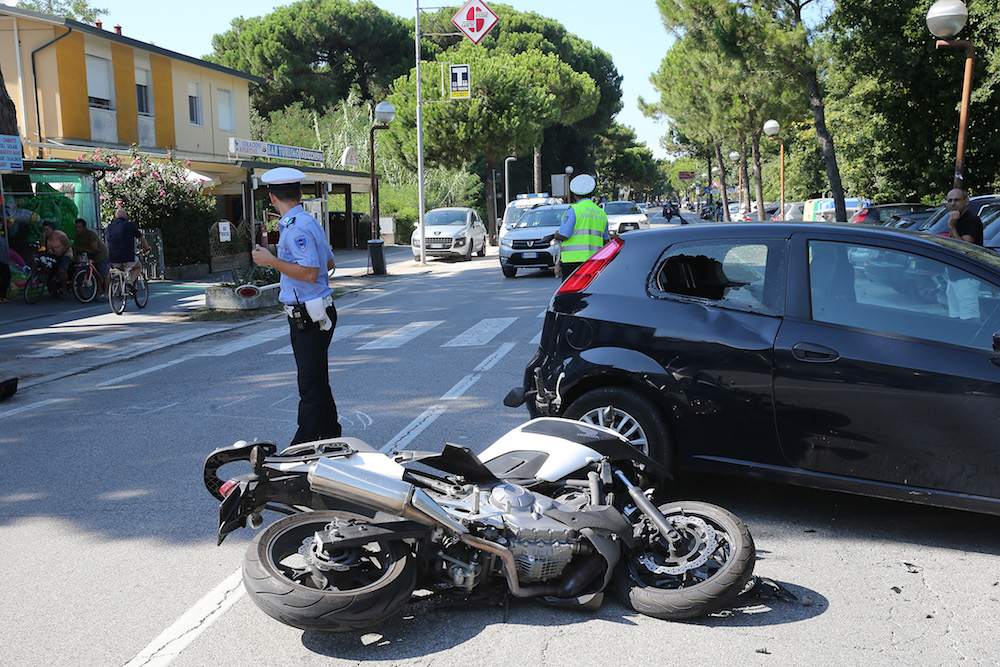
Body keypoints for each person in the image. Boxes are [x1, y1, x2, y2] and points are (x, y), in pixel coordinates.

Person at [251, 167, 340, 445]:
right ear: (300, 194)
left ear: (272, 197)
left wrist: (271, 261)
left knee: (309, 386)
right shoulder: (308, 221)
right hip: (316, 311)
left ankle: (302, 447)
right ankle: (330, 436)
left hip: (309, 315)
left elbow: (311, 271)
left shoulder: (296, 228)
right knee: (317, 381)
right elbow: (329, 263)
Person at [553, 173, 609, 279]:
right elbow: (605, 241)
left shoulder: (574, 210)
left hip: (572, 262)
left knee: (571, 294)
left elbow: (564, 235)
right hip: (594, 261)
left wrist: (556, 235)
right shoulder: (601, 213)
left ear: (574, 194)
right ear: (592, 193)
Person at [944, 188, 983, 320]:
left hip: (967, 276)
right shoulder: (956, 220)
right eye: (950, 200)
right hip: (954, 276)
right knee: (955, 317)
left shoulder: (971, 220)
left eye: (957, 200)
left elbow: (965, 248)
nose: (953, 203)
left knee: (970, 317)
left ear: (966, 201)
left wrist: (951, 227)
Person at [105, 208, 150, 291]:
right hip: (127, 255)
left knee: (120, 272)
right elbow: (141, 239)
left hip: (113, 256)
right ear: (125, 216)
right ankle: (130, 282)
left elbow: (108, 241)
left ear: (115, 216)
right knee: (138, 267)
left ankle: (121, 293)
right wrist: (146, 247)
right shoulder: (130, 225)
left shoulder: (109, 227)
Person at [73, 218, 110, 300]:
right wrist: (83, 252)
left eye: (79, 227)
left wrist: (83, 249)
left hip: (101, 255)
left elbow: (93, 248)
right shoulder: (77, 236)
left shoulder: (91, 234)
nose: (77, 229)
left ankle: (107, 294)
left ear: (84, 227)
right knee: (96, 276)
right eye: (76, 227)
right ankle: (98, 293)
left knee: (104, 275)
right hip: (91, 256)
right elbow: (77, 247)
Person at [39, 220, 73, 290]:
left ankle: (64, 287)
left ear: (51, 229)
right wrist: (42, 241)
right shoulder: (45, 238)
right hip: (53, 255)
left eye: (47, 229)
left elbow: (68, 244)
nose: (46, 231)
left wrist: (60, 252)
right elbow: (42, 248)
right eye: (44, 230)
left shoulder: (59, 234)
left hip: (65, 254)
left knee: (62, 271)